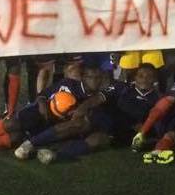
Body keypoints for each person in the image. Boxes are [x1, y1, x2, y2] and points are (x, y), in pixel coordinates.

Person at [0, 64, 103, 158]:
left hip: (51, 125)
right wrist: (42, 105)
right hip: (40, 112)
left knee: (15, 138)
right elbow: (43, 94)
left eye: (98, 78)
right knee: (12, 124)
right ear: (83, 77)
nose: (95, 81)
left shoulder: (95, 100)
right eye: (91, 77)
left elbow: (78, 125)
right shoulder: (68, 83)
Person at [13, 63, 146, 165]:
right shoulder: (116, 87)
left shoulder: (147, 95)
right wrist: (81, 109)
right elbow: (97, 99)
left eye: (98, 77)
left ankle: (54, 154)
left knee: (99, 140)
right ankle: (30, 143)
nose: (95, 81)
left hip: (115, 129)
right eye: (141, 76)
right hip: (89, 123)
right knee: (79, 123)